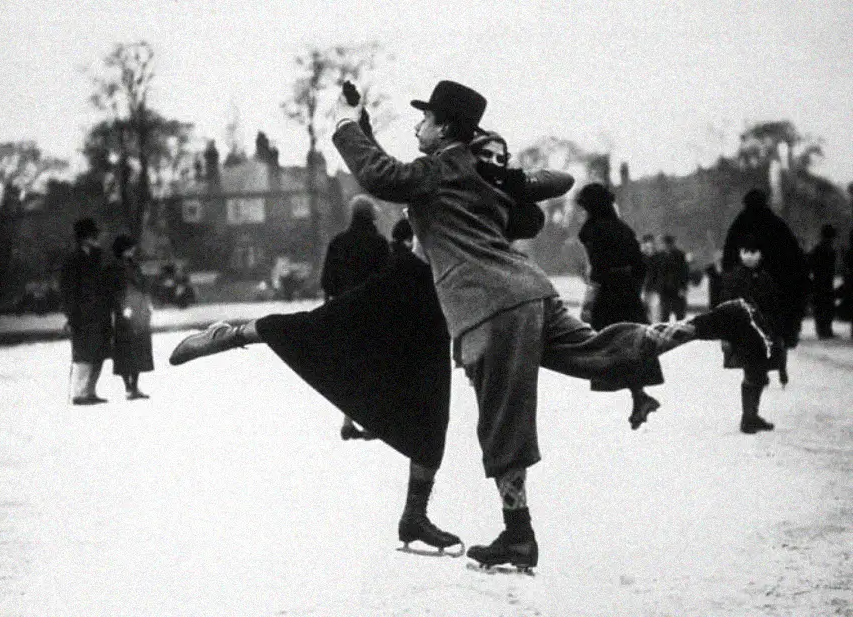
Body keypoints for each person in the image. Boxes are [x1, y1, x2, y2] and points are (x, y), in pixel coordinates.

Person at [328, 79, 774, 572]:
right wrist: (507, 174)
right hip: (532, 293)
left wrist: (348, 122)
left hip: (490, 308)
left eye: (426, 119)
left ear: (446, 128)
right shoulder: (483, 174)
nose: (418, 125)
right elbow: (540, 190)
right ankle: (715, 322)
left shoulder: (438, 168)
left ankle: (518, 534)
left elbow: (380, 175)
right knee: (603, 351)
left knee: (501, 419)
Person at [169, 129, 575, 557]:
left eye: (501, 154)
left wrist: (511, 178)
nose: (494, 160)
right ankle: (231, 335)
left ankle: (414, 516)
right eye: (486, 154)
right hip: (407, 284)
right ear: (467, 155)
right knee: (318, 327)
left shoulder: (497, 194)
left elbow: (551, 194)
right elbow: (392, 177)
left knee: (432, 415)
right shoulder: (447, 181)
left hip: (440, 305)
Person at [576, 183, 663, 428]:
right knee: (633, 343)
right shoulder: (623, 228)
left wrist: (593, 294)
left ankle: (638, 397)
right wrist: (632, 287)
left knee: (611, 343)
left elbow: (597, 269)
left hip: (608, 295)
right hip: (628, 295)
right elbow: (641, 265)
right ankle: (639, 396)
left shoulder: (593, 230)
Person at [321, 194, 391, 440]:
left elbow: (326, 281)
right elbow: (388, 281)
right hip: (372, 314)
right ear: (372, 216)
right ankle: (371, 421)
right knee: (372, 366)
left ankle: (347, 420)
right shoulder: (380, 244)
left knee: (349, 366)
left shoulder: (338, 243)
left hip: (343, 313)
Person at [723, 188, 808, 349]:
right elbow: (794, 259)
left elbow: (728, 261)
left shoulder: (739, 225)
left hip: (747, 285)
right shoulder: (776, 224)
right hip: (776, 285)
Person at [720, 234, 787, 433]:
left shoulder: (766, 278)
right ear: (740, 254)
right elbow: (724, 308)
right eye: (745, 252)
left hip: (763, 334)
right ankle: (747, 418)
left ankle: (752, 415)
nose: (749, 256)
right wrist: (725, 335)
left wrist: (777, 333)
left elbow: (774, 306)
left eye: (754, 252)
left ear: (761, 255)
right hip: (742, 334)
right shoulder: (734, 278)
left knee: (759, 374)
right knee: (752, 374)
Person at [60, 217, 112, 405]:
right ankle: (80, 393)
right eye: (92, 235)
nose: (96, 238)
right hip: (82, 313)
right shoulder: (73, 260)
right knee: (83, 353)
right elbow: (67, 289)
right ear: (84, 238)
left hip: (100, 312)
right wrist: (70, 314)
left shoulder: (97, 256)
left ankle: (90, 390)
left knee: (99, 352)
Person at [107, 234, 154, 400]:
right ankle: (128, 386)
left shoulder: (134, 266)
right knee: (126, 350)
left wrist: (147, 302)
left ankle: (134, 385)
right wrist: (122, 307)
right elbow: (114, 290)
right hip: (125, 313)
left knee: (139, 348)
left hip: (139, 310)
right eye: (130, 247)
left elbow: (143, 286)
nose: (133, 250)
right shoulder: (115, 267)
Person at [808, 223, 838, 339]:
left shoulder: (818, 249)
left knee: (820, 306)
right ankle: (826, 329)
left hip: (818, 282)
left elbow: (810, 263)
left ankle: (822, 329)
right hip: (826, 282)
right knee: (826, 306)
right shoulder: (830, 250)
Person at [656, 235, 690, 321]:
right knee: (664, 316)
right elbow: (656, 273)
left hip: (677, 289)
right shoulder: (659, 256)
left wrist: (683, 287)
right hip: (664, 290)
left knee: (680, 316)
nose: (665, 246)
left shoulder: (679, 255)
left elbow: (684, 272)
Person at [639, 234, 660, 318]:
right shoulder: (640, 257)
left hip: (653, 287)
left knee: (654, 310)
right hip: (643, 287)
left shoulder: (657, 257)